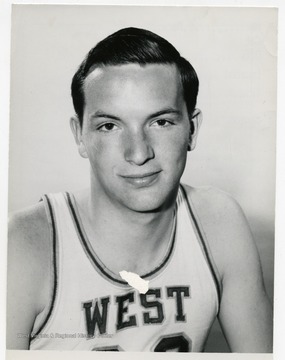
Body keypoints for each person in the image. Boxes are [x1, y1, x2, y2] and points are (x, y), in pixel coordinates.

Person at [7, 27, 273, 352]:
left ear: (192, 129)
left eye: (160, 122)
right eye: (109, 126)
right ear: (80, 136)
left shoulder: (218, 224)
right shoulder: (24, 246)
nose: (138, 153)